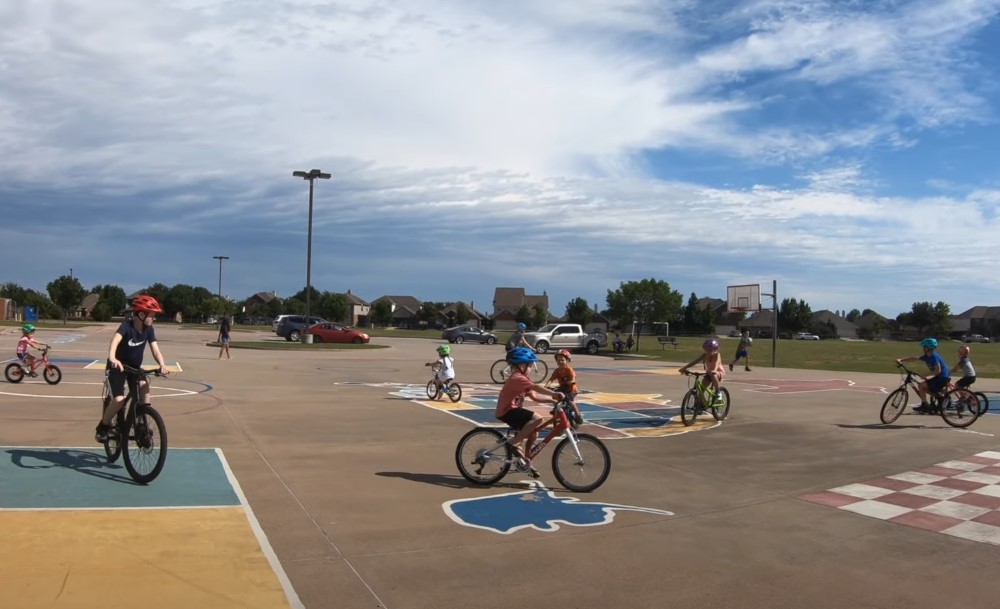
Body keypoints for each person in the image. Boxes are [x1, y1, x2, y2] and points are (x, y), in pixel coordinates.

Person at [96, 295, 170, 442]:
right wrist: (112, 358)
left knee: (144, 386)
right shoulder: (127, 326)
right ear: (141, 314)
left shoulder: (149, 329)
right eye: (152, 315)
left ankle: (141, 422)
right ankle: (103, 426)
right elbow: (115, 340)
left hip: (134, 369)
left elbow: (155, 349)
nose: (153, 318)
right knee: (119, 400)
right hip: (118, 367)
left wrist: (162, 364)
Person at [495, 347, 564, 477]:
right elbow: (535, 387)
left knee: (534, 432)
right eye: (531, 365)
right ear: (522, 365)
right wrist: (554, 394)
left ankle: (526, 460)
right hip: (507, 411)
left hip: (513, 410)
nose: (532, 368)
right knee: (537, 419)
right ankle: (514, 442)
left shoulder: (522, 378)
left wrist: (552, 401)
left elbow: (535, 396)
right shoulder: (517, 378)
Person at [896, 337, 950, 413]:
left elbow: (938, 370)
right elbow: (915, 358)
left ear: (928, 347)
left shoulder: (934, 356)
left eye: (924, 346)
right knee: (923, 386)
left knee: (922, 386)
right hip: (940, 376)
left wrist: (925, 374)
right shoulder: (927, 356)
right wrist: (901, 360)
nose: (923, 348)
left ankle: (931, 403)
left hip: (942, 377)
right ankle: (932, 402)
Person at [546, 348, 584, 428]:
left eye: (562, 360)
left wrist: (572, 381)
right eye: (558, 360)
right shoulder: (557, 371)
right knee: (555, 395)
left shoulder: (569, 369)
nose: (560, 362)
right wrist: (547, 385)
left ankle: (578, 415)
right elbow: (551, 379)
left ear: (567, 361)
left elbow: (573, 376)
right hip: (563, 388)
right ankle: (556, 408)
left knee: (570, 401)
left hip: (571, 389)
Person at [680, 339, 726, 404]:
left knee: (713, 375)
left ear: (715, 349)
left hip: (719, 372)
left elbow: (717, 363)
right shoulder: (705, 355)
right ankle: (700, 404)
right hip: (709, 373)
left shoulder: (717, 355)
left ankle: (718, 392)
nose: (708, 352)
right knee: (701, 389)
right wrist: (684, 368)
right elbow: (695, 362)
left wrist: (714, 370)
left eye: (710, 350)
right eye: (706, 350)